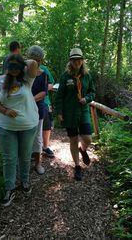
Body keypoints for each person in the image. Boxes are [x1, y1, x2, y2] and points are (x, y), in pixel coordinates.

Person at [0, 54, 39, 207]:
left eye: (17, 67)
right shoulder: (0, 80)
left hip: (28, 125)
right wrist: (5, 111)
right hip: (6, 126)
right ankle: (9, 188)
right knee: (9, 158)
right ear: (6, 67)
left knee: (25, 156)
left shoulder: (27, 79)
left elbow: (33, 64)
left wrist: (19, 62)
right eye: (10, 67)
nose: (14, 70)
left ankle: (24, 181)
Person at [55, 48, 96, 181]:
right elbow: (60, 96)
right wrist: (59, 112)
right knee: (73, 139)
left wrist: (87, 98)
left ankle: (83, 149)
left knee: (88, 138)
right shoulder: (65, 76)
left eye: (79, 59)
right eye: (74, 60)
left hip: (83, 111)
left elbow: (92, 92)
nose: (76, 62)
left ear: (82, 61)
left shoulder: (87, 76)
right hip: (70, 113)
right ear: (70, 61)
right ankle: (77, 167)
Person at [27, 46, 49, 174]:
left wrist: (30, 99)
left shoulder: (43, 74)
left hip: (37, 109)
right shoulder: (22, 73)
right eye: (35, 60)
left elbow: (44, 92)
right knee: (25, 136)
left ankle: (38, 164)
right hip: (23, 110)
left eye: (39, 60)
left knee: (37, 138)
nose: (37, 63)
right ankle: (25, 160)